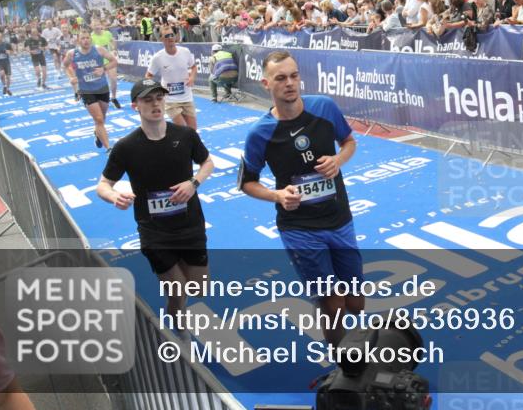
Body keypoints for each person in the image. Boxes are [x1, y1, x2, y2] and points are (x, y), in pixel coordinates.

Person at [238, 52, 362, 349]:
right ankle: (343, 360)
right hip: (299, 227)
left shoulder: (324, 107)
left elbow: (349, 142)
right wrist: (276, 195)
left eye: (294, 76)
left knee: (355, 303)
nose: (290, 83)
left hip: (339, 218)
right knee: (332, 303)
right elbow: (246, 182)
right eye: (281, 78)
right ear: (266, 83)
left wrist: (338, 160)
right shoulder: (260, 133)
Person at [97, 78, 214, 326]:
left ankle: (176, 310)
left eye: (159, 98)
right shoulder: (126, 147)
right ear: (135, 106)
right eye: (147, 100)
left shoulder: (185, 135)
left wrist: (193, 184)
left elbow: (207, 163)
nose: (155, 104)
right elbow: (103, 185)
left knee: (199, 289)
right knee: (178, 290)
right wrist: (113, 196)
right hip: (154, 232)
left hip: (190, 225)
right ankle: (178, 327)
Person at [64, 29, 119, 151]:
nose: (85, 40)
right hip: (86, 90)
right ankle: (109, 148)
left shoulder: (99, 49)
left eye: (87, 38)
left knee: (102, 119)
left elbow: (114, 61)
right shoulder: (72, 53)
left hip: (102, 88)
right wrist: (72, 76)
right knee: (98, 119)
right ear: (78, 40)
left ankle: (98, 134)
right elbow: (66, 65)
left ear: (91, 39)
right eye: (82, 38)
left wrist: (103, 69)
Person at [146, 25, 198, 130]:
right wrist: (155, 90)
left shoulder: (185, 51)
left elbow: (194, 67)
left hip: (187, 96)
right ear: (161, 39)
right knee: (182, 129)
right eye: (167, 36)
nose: (170, 38)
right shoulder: (158, 57)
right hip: (170, 99)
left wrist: (192, 78)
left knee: (193, 130)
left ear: (175, 36)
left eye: (172, 35)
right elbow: (148, 76)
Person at [91, 19, 121, 107]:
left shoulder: (107, 33)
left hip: (109, 60)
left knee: (113, 79)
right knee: (99, 82)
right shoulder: (91, 37)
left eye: (98, 24)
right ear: (92, 27)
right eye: (94, 25)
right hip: (98, 62)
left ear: (101, 25)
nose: (97, 26)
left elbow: (112, 41)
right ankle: (99, 98)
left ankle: (114, 98)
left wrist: (114, 49)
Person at [23, 25, 48, 90]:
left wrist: (43, 48)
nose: (34, 33)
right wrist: (30, 51)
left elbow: (46, 47)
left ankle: (43, 84)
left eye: (35, 32)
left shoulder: (42, 39)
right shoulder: (28, 40)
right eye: (32, 32)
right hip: (34, 57)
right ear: (31, 33)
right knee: (37, 71)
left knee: (44, 72)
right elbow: (26, 48)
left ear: (37, 32)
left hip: (41, 56)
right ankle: (39, 78)